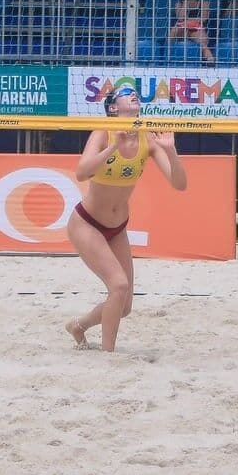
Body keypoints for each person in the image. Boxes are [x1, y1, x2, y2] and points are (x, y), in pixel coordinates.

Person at [66, 86, 186, 352]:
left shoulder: (148, 139)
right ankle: (109, 355)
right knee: (118, 285)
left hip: (117, 228)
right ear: (113, 108)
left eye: (136, 93)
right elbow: (81, 173)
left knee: (125, 306)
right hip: (86, 223)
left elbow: (179, 184)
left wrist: (171, 150)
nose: (134, 94)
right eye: (126, 92)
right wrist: (112, 148)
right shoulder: (102, 132)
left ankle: (79, 325)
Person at [167, 0, 216, 64]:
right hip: (182, 30)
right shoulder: (179, 4)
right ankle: (167, 57)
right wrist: (186, 1)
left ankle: (210, 60)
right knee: (173, 31)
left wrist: (188, 21)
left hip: (196, 29)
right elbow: (180, 18)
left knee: (202, 42)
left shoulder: (204, 3)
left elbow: (203, 18)